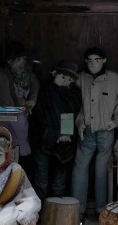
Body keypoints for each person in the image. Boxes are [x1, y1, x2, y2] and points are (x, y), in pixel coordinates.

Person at [72, 47, 118, 218]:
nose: (92, 64)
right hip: (86, 130)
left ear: (104, 60)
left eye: (97, 60)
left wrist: (115, 122)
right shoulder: (80, 78)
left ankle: (101, 209)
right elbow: (74, 103)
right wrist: (79, 122)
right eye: (89, 60)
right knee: (80, 167)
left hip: (106, 130)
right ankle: (77, 210)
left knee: (102, 169)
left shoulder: (115, 79)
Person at [32, 60, 82, 199]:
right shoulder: (43, 92)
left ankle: (56, 214)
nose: (66, 80)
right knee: (41, 181)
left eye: (69, 79)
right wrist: (55, 135)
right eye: (63, 76)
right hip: (43, 141)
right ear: (54, 73)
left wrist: (64, 134)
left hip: (63, 143)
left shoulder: (73, 95)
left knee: (59, 183)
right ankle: (39, 213)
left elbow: (71, 115)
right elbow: (40, 117)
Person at [0, 41, 39, 161]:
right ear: (9, 61)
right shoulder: (2, 75)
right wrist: (18, 101)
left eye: (24, 59)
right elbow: (1, 95)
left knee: (21, 144)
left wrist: (32, 100)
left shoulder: (28, 75)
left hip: (21, 118)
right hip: (5, 118)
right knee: (5, 143)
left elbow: (35, 86)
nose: (22, 63)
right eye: (18, 60)